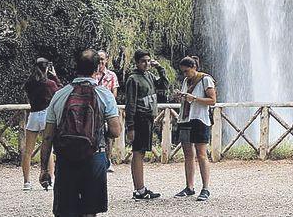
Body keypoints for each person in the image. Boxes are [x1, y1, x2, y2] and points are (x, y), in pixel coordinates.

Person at [39, 49, 122, 217]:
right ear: (97, 68)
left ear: (75, 67)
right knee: (89, 211)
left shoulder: (59, 95)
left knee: (66, 212)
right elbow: (115, 131)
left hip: (66, 158)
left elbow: (48, 136)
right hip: (94, 157)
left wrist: (44, 169)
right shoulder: (104, 94)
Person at [124, 50, 167, 200]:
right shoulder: (133, 79)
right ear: (136, 62)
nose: (147, 64)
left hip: (148, 118)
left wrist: (160, 68)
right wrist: (130, 127)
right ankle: (139, 189)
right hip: (139, 119)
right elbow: (130, 104)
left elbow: (164, 85)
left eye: (148, 61)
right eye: (143, 61)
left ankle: (140, 188)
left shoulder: (148, 76)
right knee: (138, 152)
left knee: (141, 152)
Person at [173, 56, 216, 202]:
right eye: (183, 72)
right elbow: (187, 98)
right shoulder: (186, 81)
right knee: (188, 155)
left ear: (194, 68)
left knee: (201, 154)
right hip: (185, 119)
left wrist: (194, 98)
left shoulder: (205, 79)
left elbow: (212, 101)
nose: (185, 74)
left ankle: (205, 188)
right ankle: (189, 187)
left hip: (200, 119)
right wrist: (182, 97)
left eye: (187, 71)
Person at [22, 57, 60, 190]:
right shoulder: (49, 84)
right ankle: (49, 180)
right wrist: (55, 77)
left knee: (27, 151)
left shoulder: (29, 84)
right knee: (47, 149)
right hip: (45, 114)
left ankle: (27, 182)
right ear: (47, 68)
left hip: (33, 115)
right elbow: (59, 92)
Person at [92, 50, 120, 172]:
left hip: (106, 109)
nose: (101, 61)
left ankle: (108, 161)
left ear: (106, 60)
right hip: (93, 110)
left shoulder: (111, 75)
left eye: (102, 59)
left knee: (109, 136)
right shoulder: (92, 74)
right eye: (98, 59)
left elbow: (114, 94)